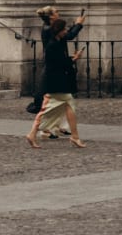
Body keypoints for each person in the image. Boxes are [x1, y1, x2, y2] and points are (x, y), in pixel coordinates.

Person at [27, 8, 86, 149]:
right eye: (64, 29)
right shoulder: (52, 42)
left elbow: (61, 58)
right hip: (55, 81)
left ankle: (71, 135)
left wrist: (72, 58)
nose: (66, 31)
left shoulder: (55, 39)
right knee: (47, 110)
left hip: (56, 80)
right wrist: (78, 24)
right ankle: (36, 133)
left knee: (59, 107)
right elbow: (59, 62)